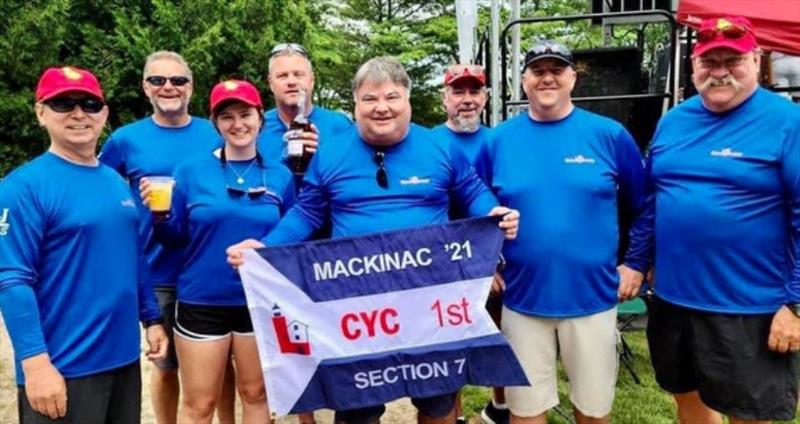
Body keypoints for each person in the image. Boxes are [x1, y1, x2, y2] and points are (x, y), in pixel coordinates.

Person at [227, 56, 520, 424]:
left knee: (437, 404)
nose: (381, 107)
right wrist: (266, 247)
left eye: (392, 97)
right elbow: (307, 213)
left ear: (408, 100)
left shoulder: (440, 147)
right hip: (357, 307)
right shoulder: (332, 152)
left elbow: (473, 192)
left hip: (428, 303)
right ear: (356, 104)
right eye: (370, 99)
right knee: (356, 409)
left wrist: (493, 213)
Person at [644, 16, 799, 423]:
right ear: (693, 66)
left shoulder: (786, 122)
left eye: (733, 60)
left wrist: (795, 304)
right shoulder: (674, 120)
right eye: (709, 62)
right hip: (674, 298)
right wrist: (639, 260)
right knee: (688, 401)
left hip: (750, 306)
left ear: (757, 59)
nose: (720, 72)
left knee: (749, 414)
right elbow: (652, 198)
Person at [486, 40, 650, 424]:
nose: (547, 78)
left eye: (557, 70)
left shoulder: (609, 135)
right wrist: (485, 264)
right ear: (523, 81)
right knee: (525, 412)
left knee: (593, 412)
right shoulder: (497, 141)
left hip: (593, 298)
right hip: (522, 298)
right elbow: (476, 207)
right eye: (538, 71)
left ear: (573, 78)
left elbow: (643, 205)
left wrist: (635, 263)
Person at [0, 66, 168, 423]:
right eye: (63, 104)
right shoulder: (21, 188)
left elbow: (133, 256)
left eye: (90, 104)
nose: (79, 113)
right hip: (64, 367)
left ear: (104, 113)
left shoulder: (114, 181)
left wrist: (152, 318)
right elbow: (12, 281)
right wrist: (35, 364)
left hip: (123, 360)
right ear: (40, 112)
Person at [140, 79, 294, 424]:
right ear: (215, 123)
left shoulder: (280, 175)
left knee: (256, 394)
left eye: (245, 114)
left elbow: (294, 235)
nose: (237, 124)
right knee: (199, 404)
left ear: (260, 118)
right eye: (227, 116)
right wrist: (160, 215)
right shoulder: (191, 171)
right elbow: (174, 238)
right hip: (202, 300)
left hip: (260, 301)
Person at [99, 51, 234, 424]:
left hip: (210, 267)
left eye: (177, 80)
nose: (168, 87)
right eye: (158, 80)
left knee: (222, 367)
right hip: (156, 269)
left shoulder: (215, 131)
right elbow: (103, 192)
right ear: (146, 87)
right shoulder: (126, 140)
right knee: (165, 365)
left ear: (191, 86)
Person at [430, 64, 508, 424]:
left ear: (485, 97)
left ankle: (500, 406)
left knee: (499, 333)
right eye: (458, 92)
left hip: (499, 257)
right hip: (446, 260)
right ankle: (454, 413)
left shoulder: (499, 140)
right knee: (451, 339)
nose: (466, 100)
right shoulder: (429, 143)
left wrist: (492, 261)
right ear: (444, 97)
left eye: (473, 92)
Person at [260, 42, 353, 182]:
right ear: (270, 83)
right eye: (282, 76)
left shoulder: (339, 126)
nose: (291, 82)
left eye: (298, 75)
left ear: (312, 80)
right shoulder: (256, 127)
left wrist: (322, 155)